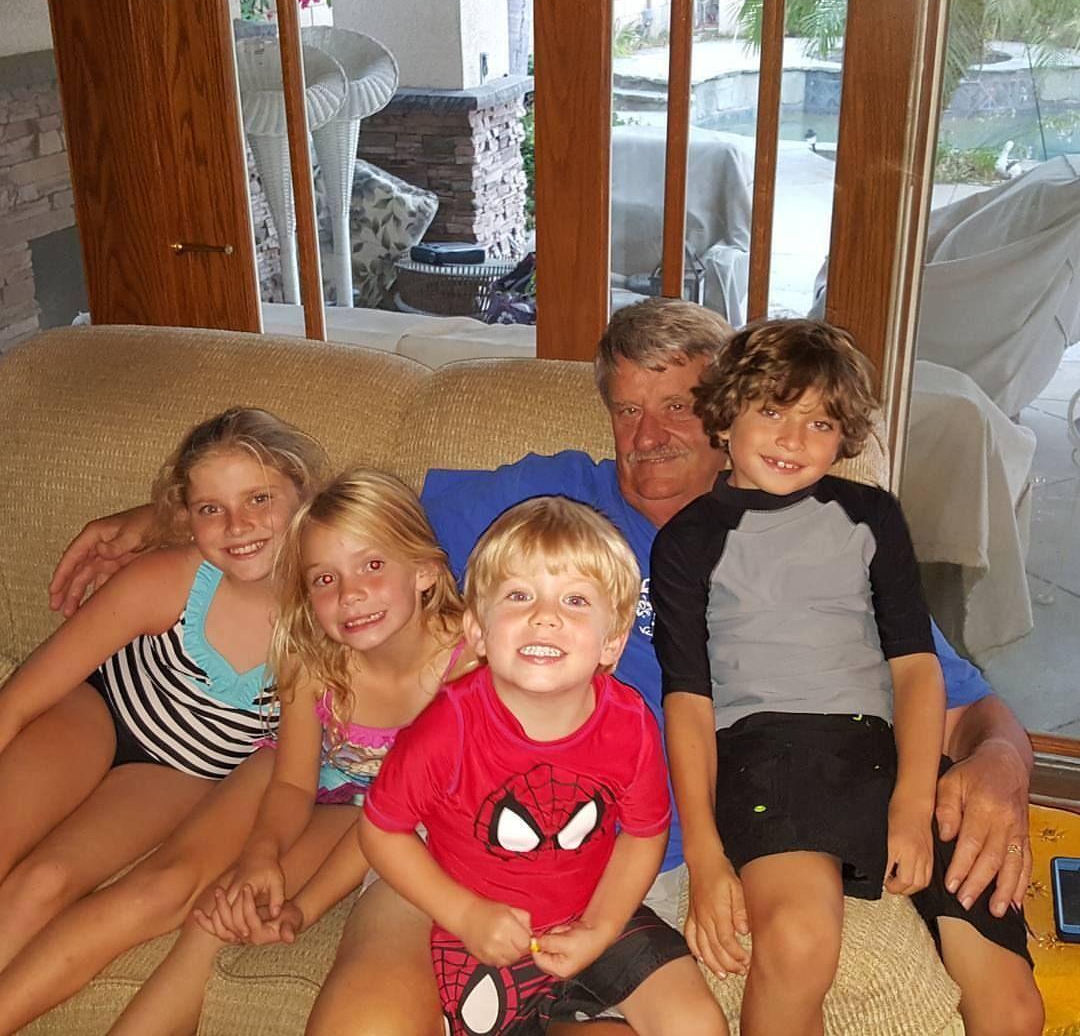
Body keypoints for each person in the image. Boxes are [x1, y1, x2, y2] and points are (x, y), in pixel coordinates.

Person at [47, 298, 1035, 1035]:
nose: (647, 436)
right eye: (626, 410)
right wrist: (166, 517)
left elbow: (958, 700)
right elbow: (330, 515)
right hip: (462, 834)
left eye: (676, 406)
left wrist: (1001, 762)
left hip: (647, 858)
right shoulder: (539, 497)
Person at [652, 320, 1042, 1036]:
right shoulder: (687, 542)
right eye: (773, 411)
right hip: (765, 755)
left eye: (820, 423)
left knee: (1015, 1010)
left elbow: (916, 669)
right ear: (726, 415)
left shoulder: (871, 517)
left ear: (844, 438)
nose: (794, 439)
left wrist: (911, 802)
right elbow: (688, 703)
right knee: (800, 943)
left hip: (885, 750)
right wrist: (705, 857)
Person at [100, 468, 476, 1035]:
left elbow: (398, 819)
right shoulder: (312, 656)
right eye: (324, 579)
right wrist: (262, 853)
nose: (349, 594)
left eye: (372, 566)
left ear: (424, 571)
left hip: (400, 822)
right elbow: (295, 782)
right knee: (219, 913)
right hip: (330, 793)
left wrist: (307, 906)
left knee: (234, 910)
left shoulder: (470, 664)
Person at [0, 407, 326, 1027]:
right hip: (97, 712)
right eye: (211, 509)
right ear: (187, 518)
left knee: (45, 880)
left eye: (259, 499)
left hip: (180, 775)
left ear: (304, 493)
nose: (238, 525)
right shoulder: (170, 578)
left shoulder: (328, 612)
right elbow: (23, 696)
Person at [359, 496, 728, 1035]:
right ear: (477, 631)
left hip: (595, 915)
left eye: (575, 600)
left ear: (612, 642)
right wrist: (464, 914)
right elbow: (381, 829)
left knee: (697, 1025)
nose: (545, 616)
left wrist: (599, 928)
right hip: (481, 933)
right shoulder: (447, 727)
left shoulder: (630, 724)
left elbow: (644, 832)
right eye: (519, 595)